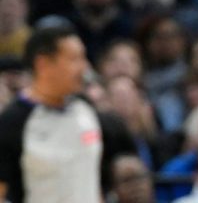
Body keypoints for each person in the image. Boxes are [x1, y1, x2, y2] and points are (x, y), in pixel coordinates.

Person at [0, 25, 135, 202]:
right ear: (43, 63)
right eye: (74, 59)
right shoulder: (13, 121)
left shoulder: (88, 113)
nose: (84, 67)